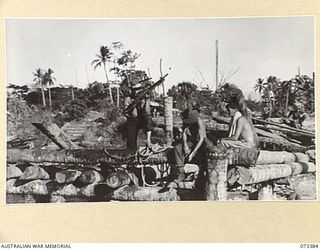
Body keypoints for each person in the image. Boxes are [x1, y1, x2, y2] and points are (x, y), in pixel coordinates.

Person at [171, 108, 207, 182]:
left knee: (205, 150)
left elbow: (201, 139)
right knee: (178, 147)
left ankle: (200, 173)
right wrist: (185, 145)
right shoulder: (186, 122)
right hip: (191, 141)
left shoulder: (199, 122)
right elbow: (184, 133)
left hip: (200, 143)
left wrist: (193, 153)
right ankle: (180, 172)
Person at [124, 84, 153, 150]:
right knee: (131, 142)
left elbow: (147, 112)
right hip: (133, 120)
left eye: (138, 89)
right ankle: (132, 150)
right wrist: (134, 104)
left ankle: (148, 141)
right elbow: (125, 112)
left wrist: (146, 100)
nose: (136, 91)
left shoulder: (144, 97)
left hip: (142, 119)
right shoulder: (128, 98)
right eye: (134, 90)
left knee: (148, 119)